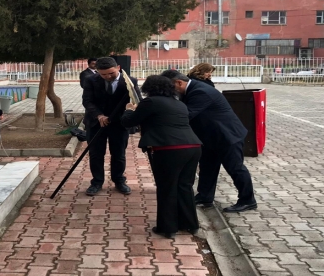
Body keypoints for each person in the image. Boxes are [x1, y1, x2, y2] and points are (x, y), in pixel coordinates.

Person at [160, 70, 257, 213]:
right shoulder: (190, 90)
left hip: (227, 136)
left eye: (170, 88)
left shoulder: (200, 92)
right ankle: (205, 196)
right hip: (209, 137)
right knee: (207, 167)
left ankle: (248, 200)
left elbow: (186, 114)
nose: (170, 92)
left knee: (235, 168)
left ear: (179, 83)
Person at [121, 75, 202, 238]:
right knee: (184, 186)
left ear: (149, 89)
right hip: (193, 147)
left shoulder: (150, 102)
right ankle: (190, 224)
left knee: (167, 187)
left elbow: (129, 122)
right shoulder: (180, 104)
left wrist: (129, 109)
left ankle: (168, 228)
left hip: (168, 149)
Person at [82, 57, 140, 196]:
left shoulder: (130, 81)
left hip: (119, 124)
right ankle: (97, 181)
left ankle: (119, 180)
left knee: (119, 154)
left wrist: (130, 111)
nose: (108, 76)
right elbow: (87, 101)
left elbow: (137, 101)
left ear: (118, 67)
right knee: (96, 154)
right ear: (97, 72)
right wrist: (99, 115)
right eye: (103, 74)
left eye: (111, 73)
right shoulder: (91, 80)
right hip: (96, 123)